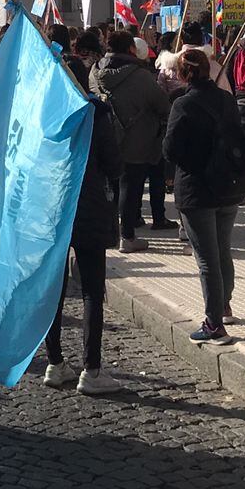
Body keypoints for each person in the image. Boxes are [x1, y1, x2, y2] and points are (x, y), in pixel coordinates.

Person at [42, 35, 122, 394]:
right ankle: (91, 369)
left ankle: (55, 363)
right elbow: (114, 164)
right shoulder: (95, 113)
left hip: (51, 209)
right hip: (88, 205)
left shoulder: (43, 116)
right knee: (91, 289)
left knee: (52, 291)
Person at [163, 49, 245, 345]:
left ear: (183, 75)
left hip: (197, 188)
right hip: (228, 184)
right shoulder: (226, 99)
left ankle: (214, 324)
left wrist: (190, 164)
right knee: (223, 249)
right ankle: (224, 305)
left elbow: (170, 148)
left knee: (207, 258)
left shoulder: (183, 104)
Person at [92, 29, 172, 252]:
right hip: (136, 140)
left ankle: (111, 232)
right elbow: (162, 105)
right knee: (130, 187)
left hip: (104, 138)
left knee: (111, 188)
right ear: (130, 49)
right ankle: (127, 236)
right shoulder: (141, 75)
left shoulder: (94, 72)